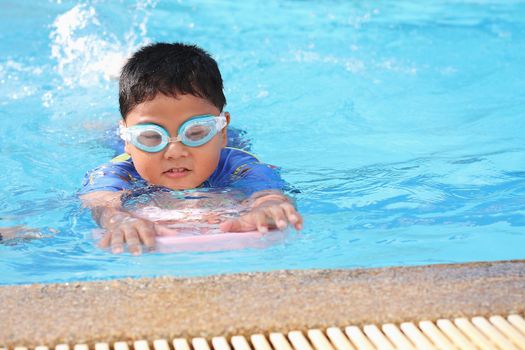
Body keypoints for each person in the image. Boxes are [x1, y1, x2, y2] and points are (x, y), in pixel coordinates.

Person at [80, 42, 303, 255]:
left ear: (222, 131)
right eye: (149, 135)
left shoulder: (237, 166)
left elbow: (268, 192)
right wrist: (118, 220)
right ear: (128, 139)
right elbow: (100, 202)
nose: (176, 152)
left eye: (195, 132)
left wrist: (269, 207)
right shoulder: (119, 172)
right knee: (98, 131)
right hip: (118, 139)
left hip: (225, 143)